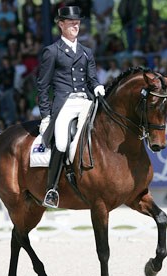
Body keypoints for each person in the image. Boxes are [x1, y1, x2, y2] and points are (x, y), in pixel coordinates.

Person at [37, 6, 105, 207]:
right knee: (61, 144)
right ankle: (52, 189)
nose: (76, 25)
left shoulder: (86, 52)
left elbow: (92, 79)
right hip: (65, 104)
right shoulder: (52, 52)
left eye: (78, 22)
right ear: (61, 24)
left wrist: (99, 86)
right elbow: (43, 86)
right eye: (71, 22)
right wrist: (46, 116)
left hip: (85, 101)